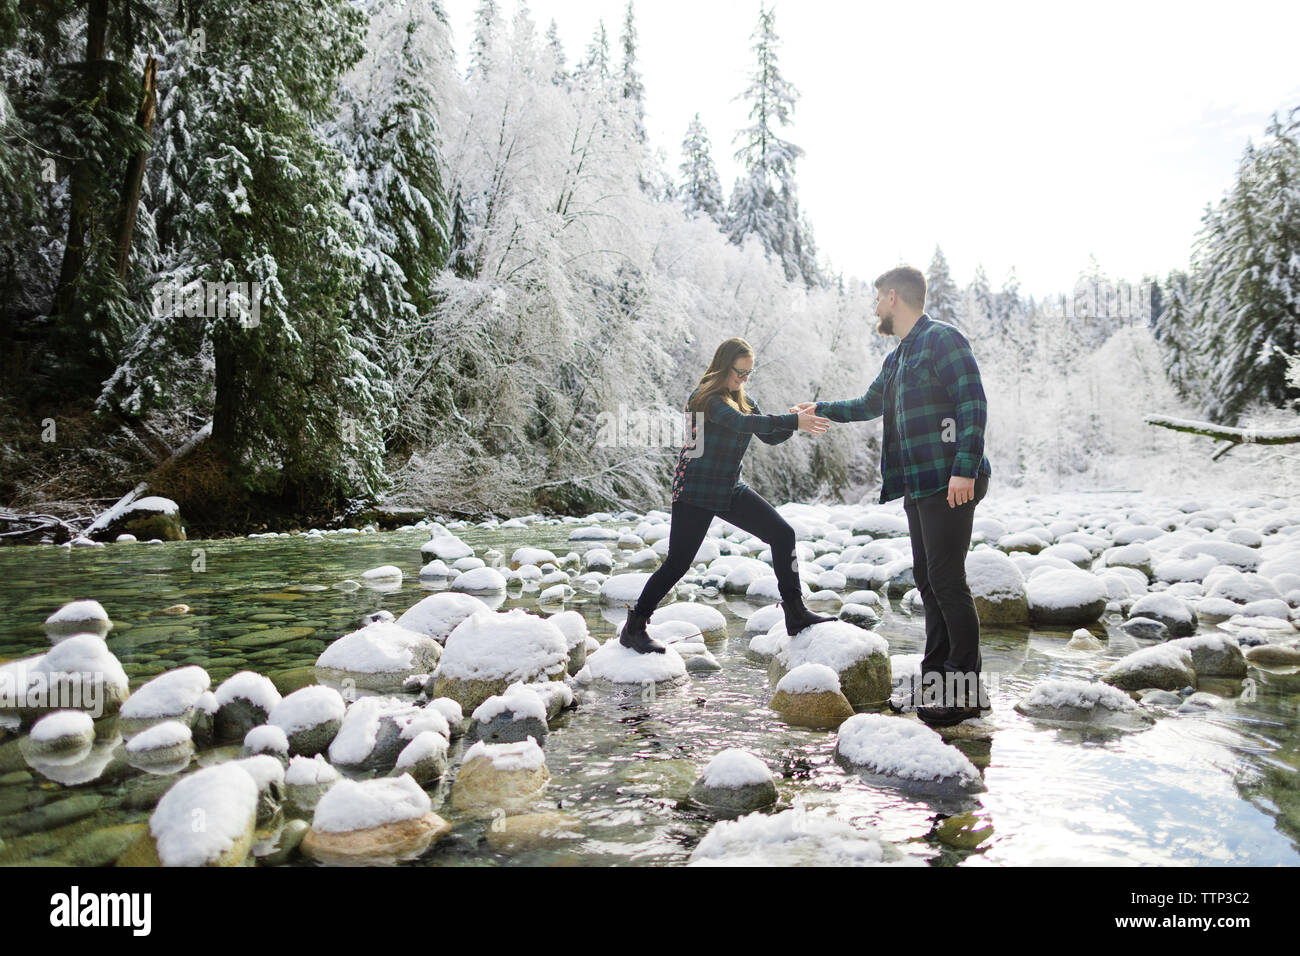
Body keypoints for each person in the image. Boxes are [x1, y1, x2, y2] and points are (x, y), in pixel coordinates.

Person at [793, 266, 993, 727]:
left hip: (951, 480)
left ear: (893, 296)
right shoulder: (899, 357)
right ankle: (937, 679)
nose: (875, 307)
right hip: (920, 483)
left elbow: (972, 404)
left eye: (877, 298)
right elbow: (867, 405)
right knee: (928, 580)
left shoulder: (944, 340)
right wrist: (818, 409)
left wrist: (964, 469)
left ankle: (966, 692)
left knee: (946, 580)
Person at [620, 337, 837, 655]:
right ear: (723, 367)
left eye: (749, 373)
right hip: (695, 490)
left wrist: (796, 417)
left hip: (728, 487)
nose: (744, 379)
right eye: (739, 372)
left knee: (783, 534)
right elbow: (739, 423)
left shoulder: (742, 398)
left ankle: (795, 613)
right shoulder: (706, 399)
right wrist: (793, 421)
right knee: (678, 564)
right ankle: (634, 627)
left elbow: (769, 434)